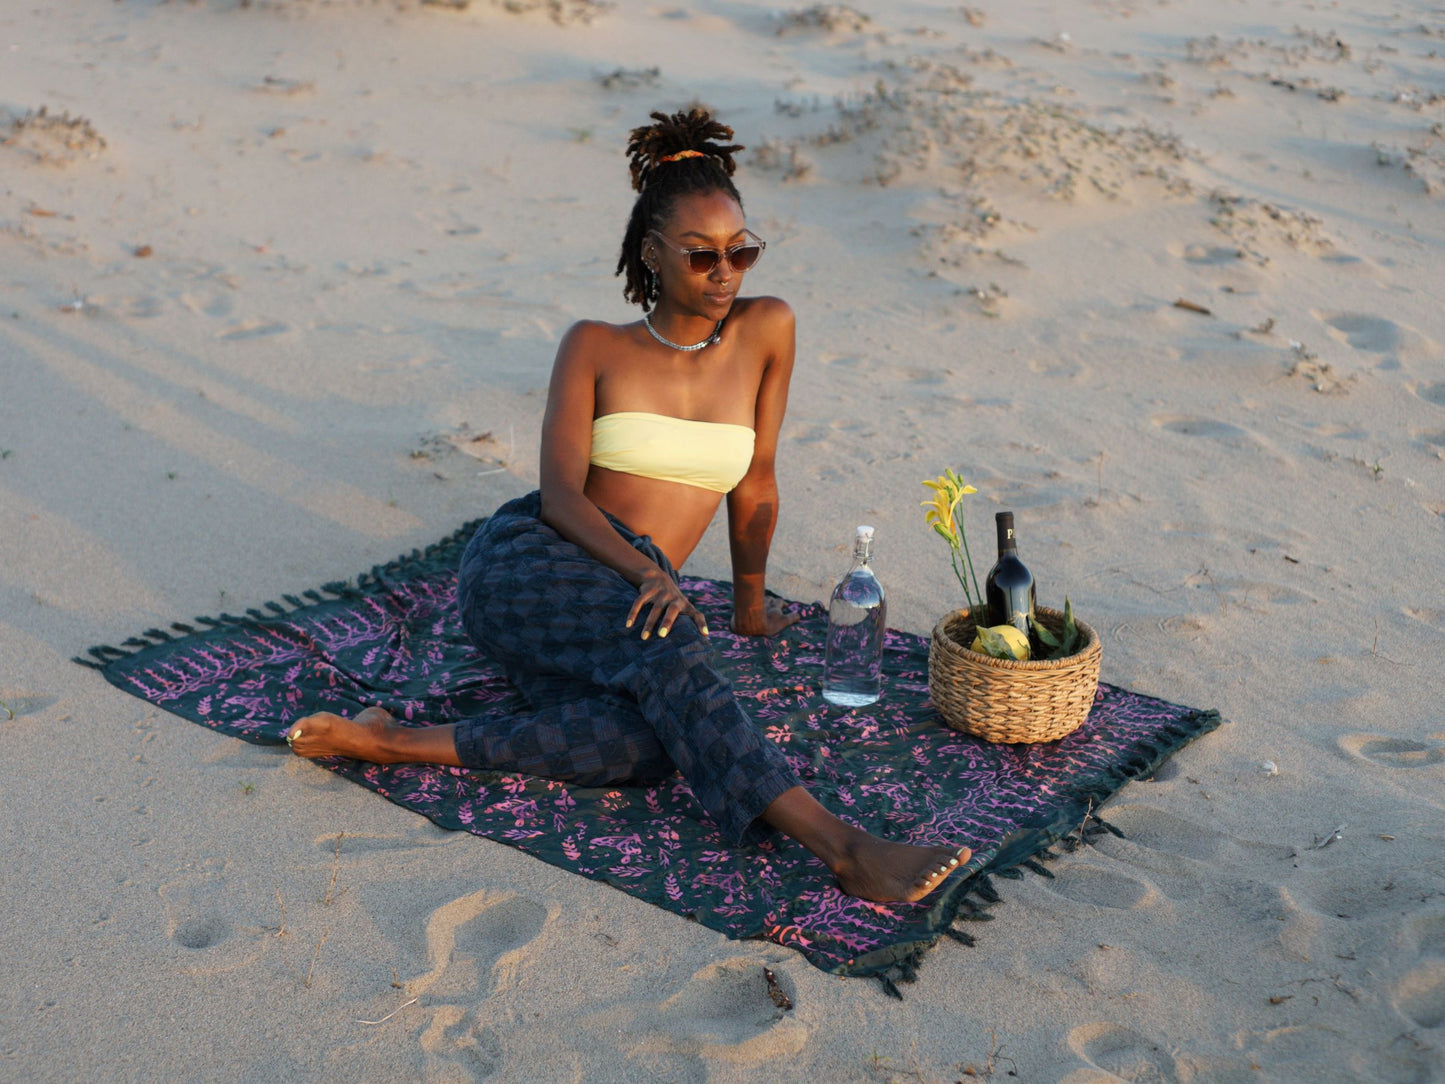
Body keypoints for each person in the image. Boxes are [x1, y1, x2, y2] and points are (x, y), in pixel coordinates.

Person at [284, 109, 969, 903]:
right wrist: (648, 569)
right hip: (532, 564)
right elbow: (559, 497)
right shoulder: (593, 346)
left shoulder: (767, 329)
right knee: (669, 637)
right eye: (702, 255)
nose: (725, 272)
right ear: (651, 254)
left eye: (740, 251)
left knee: (648, 745)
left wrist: (749, 606)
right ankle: (844, 847)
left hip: (623, 595)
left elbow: (755, 482)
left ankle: (395, 741)